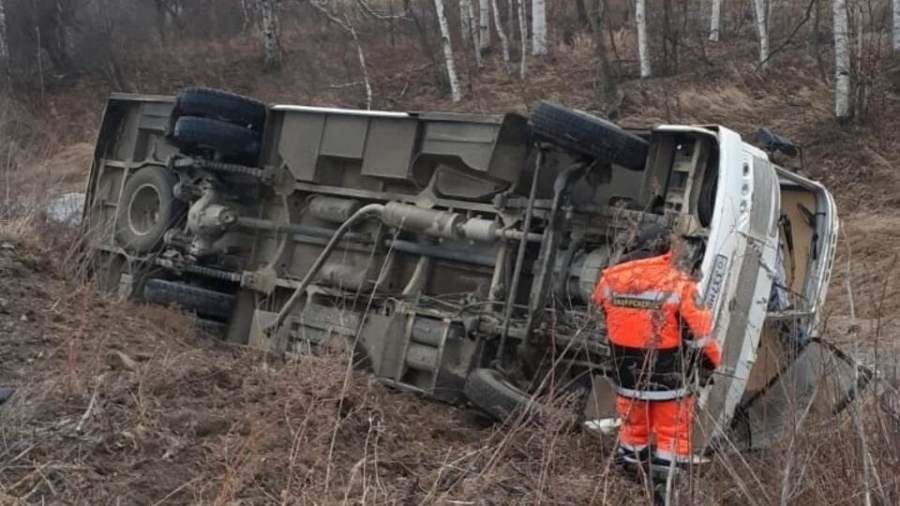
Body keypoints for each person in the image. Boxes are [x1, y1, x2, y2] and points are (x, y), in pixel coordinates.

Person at [592, 232, 721, 471]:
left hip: (626, 373)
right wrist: (711, 363)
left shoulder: (608, 281)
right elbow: (701, 334)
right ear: (664, 252)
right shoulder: (679, 284)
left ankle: (631, 476)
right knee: (672, 434)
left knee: (633, 429)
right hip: (668, 376)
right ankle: (665, 484)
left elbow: (605, 313)